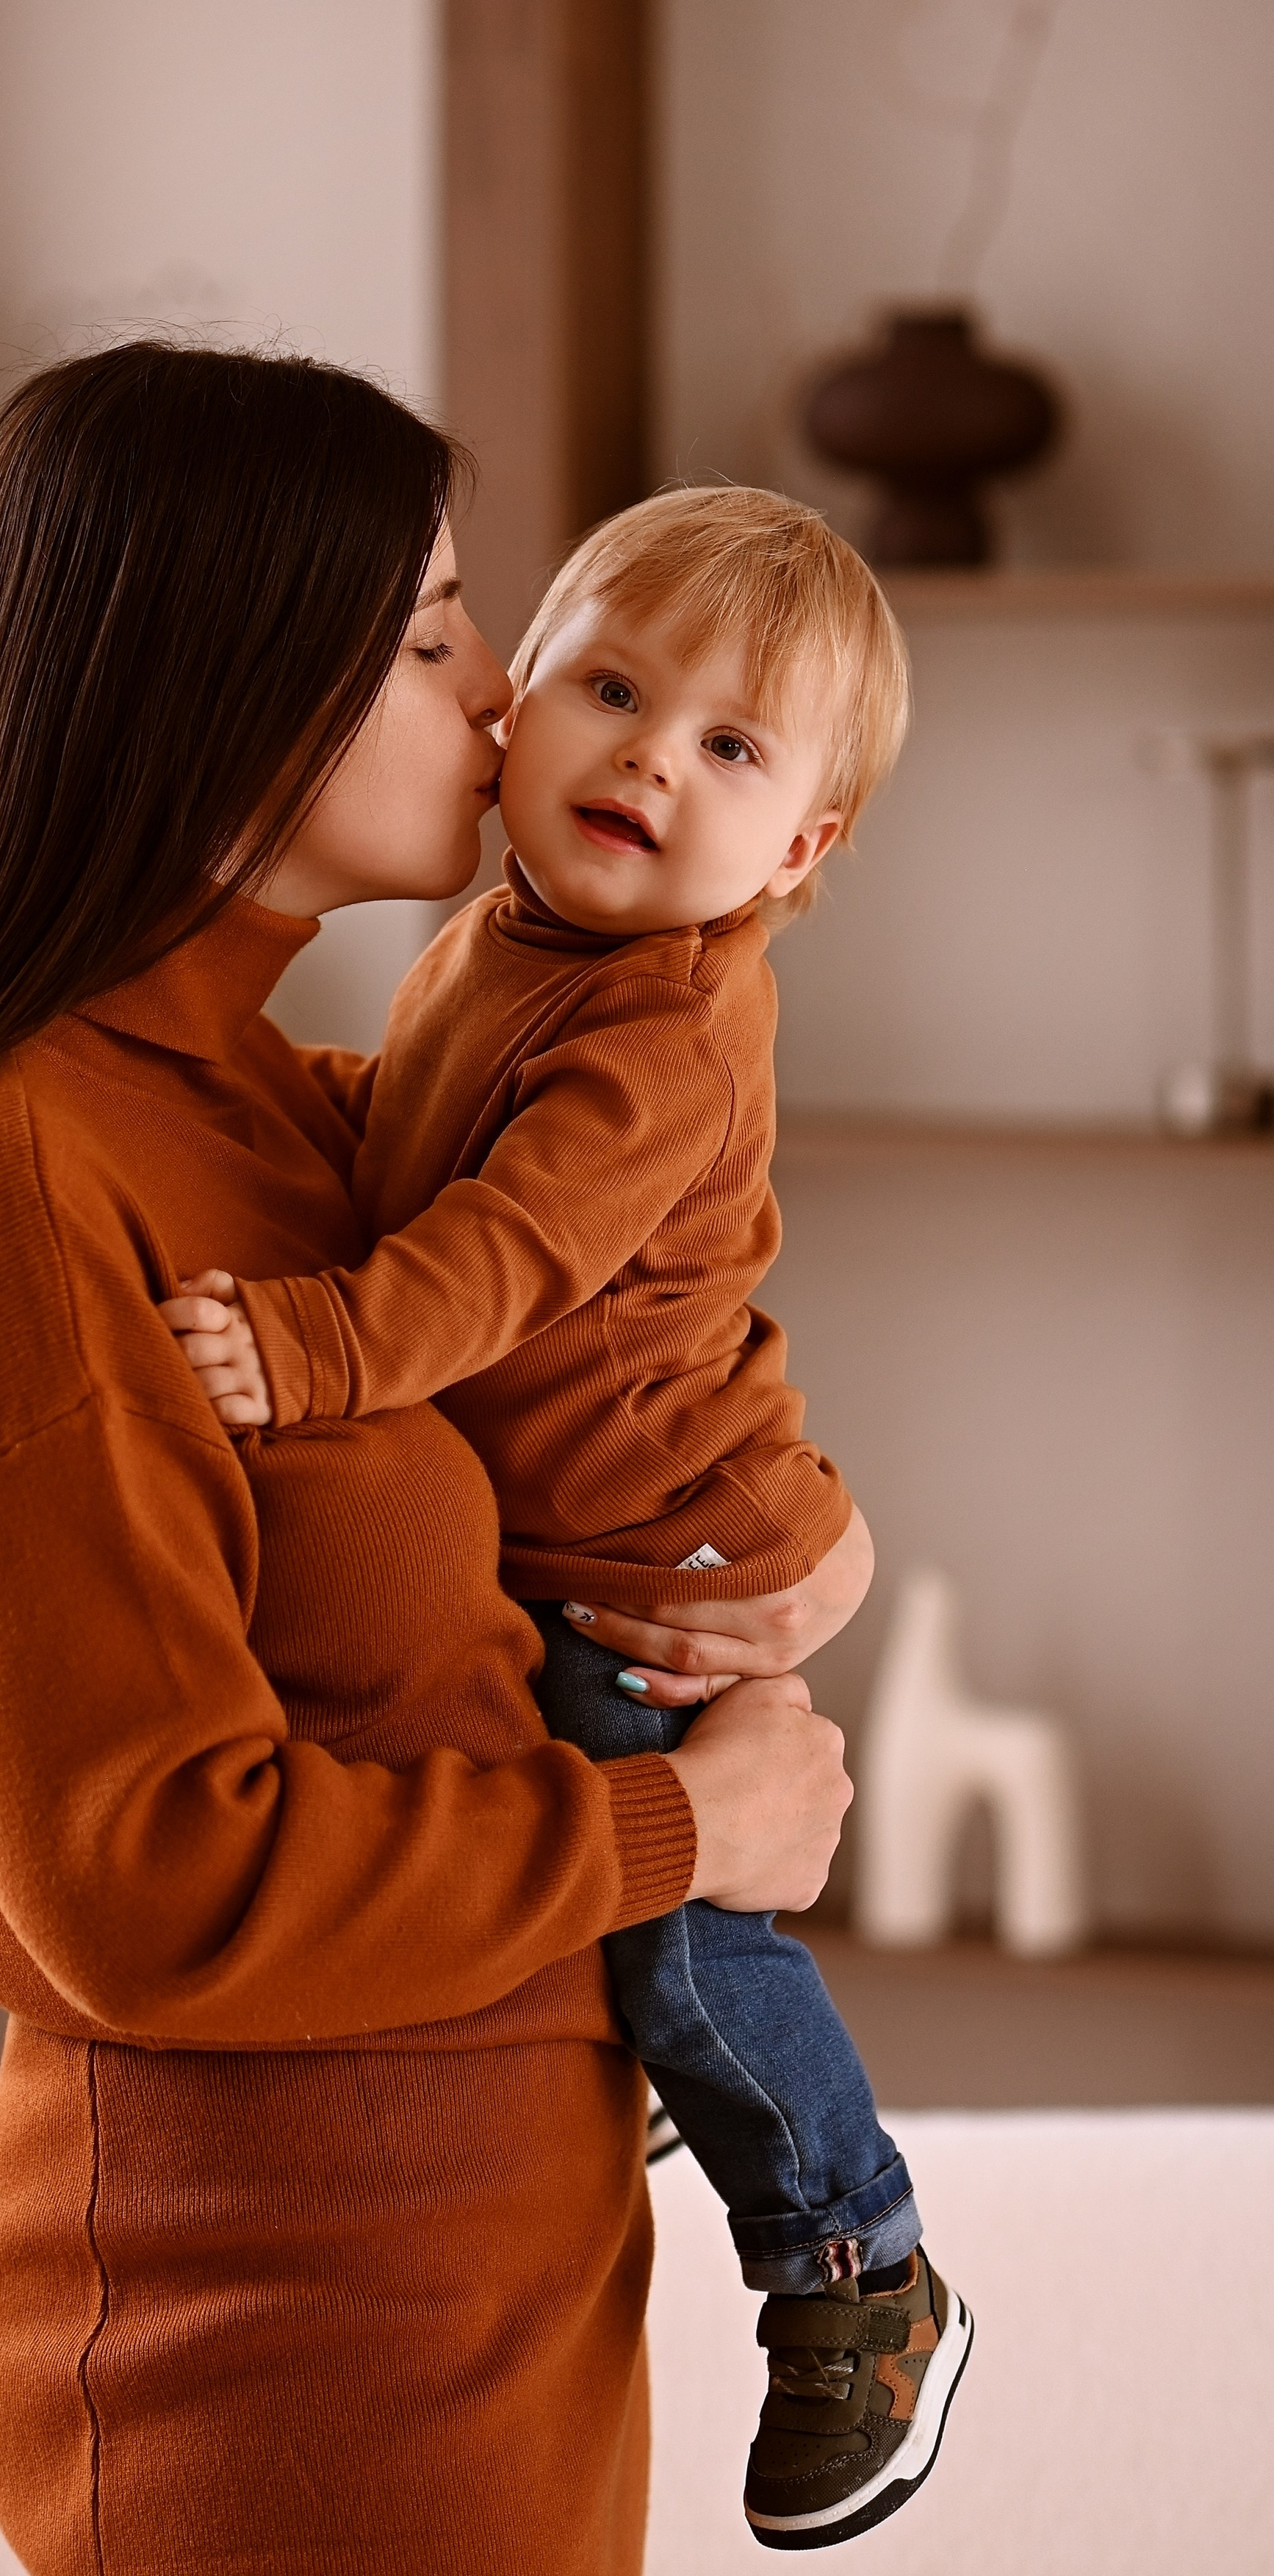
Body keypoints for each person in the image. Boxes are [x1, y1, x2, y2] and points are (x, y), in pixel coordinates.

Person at [0, 348, 852, 2576]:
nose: (502, 698)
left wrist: (809, 1550)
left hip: (491, 2288)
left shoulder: (304, 1126)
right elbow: (148, 1877)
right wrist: (684, 1824)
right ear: (224, 687)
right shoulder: (12, 1183)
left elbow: (636, 1329)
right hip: (281, 2345)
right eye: (430, 635)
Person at [162, 486, 973, 2551]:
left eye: (730, 747)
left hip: (654, 1547)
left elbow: (507, 1251)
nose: (649, 760)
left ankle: (857, 2260)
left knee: (688, 1927)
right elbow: (418, 1130)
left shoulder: (663, 1027)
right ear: (519, 700)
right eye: (613, 690)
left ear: (796, 853)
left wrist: (315, 1347)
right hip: (604, 1512)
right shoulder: (514, 938)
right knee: (619, 1900)